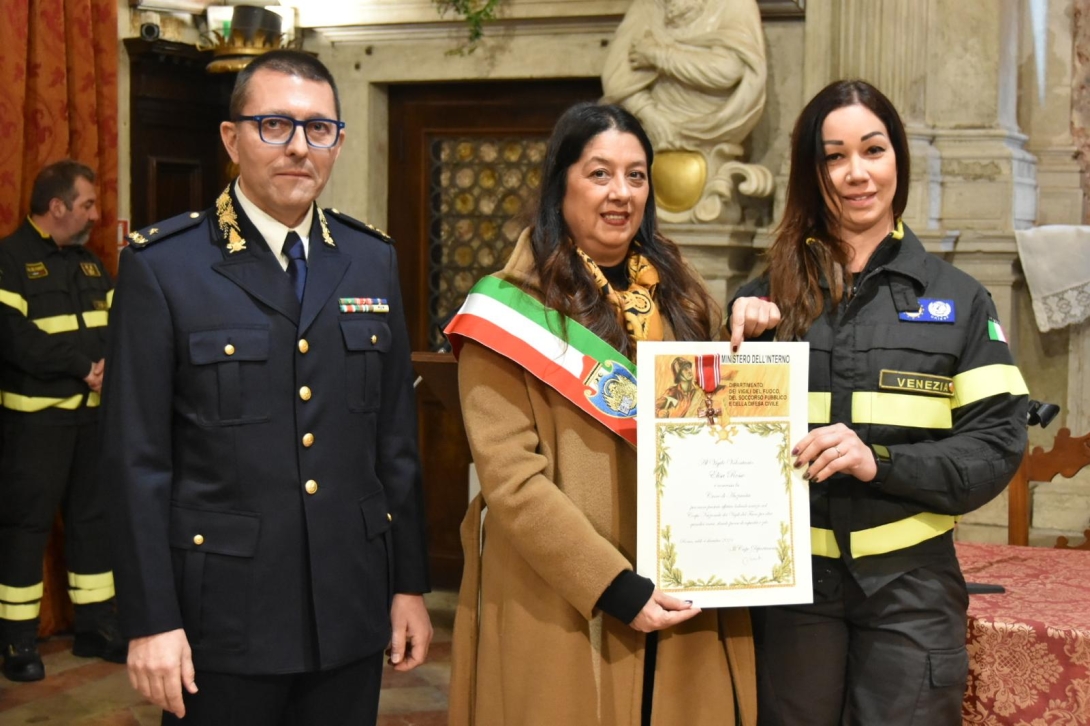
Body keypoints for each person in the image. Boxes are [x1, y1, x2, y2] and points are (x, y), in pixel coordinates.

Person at [100, 50, 432, 725]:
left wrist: (408, 585)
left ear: (338, 141)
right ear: (232, 139)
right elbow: (136, 463)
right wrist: (151, 618)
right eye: (274, 125)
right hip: (222, 616)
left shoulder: (371, 259)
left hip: (349, 606)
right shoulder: (167, 268)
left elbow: (394, 444)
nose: (298, 149)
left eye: (318, 130)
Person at [445, 102, 757, 726]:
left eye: (636, 175)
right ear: (560, 183)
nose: (621, 193)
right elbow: (513, 482)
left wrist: (757, 345)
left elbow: (728, 431)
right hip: (562, 595)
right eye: (599, 174)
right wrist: (611, 585)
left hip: (681, 588)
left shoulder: (687, 295)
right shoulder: (505, 312)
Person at [728, 80, 1029, 725]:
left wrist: (881, 461)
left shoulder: (961, 300)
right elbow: (706, 442)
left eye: (873, 149)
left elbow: (997, 444)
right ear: (813, 173)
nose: (856, 173)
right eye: (834, 156)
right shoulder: (762, 303)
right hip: (791, 593)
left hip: (911, 591)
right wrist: (731, 355)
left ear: (899, 160)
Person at [0, 159, 124, 681]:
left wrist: (109, 368)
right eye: (88, 204)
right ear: (57, 207)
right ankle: (16, 642)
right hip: (36, 426)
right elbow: (14, 337)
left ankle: (95, 628)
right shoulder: (8, 259)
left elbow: (122, 325)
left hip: (92, 421)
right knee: (24, 530)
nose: (96, 214)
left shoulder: (91, 265)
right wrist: (83, 367)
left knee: (93, 525)